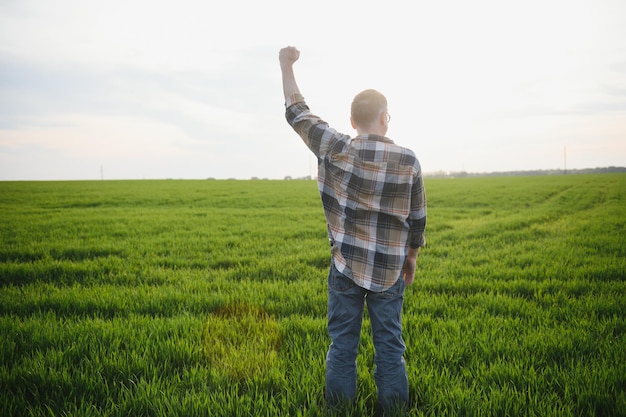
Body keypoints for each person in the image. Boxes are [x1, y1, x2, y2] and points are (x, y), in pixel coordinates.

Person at [279, 46, 427, 412]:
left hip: (345, 267)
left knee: (342, 346)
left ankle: (340, 411)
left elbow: (296, 111)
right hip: (390, 269)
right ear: (385, 118)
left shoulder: (336, 146)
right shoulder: (408, 159)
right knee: (390, 347)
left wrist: (286, 65)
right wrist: (410, 258)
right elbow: (418, 218)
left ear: (351, 119)